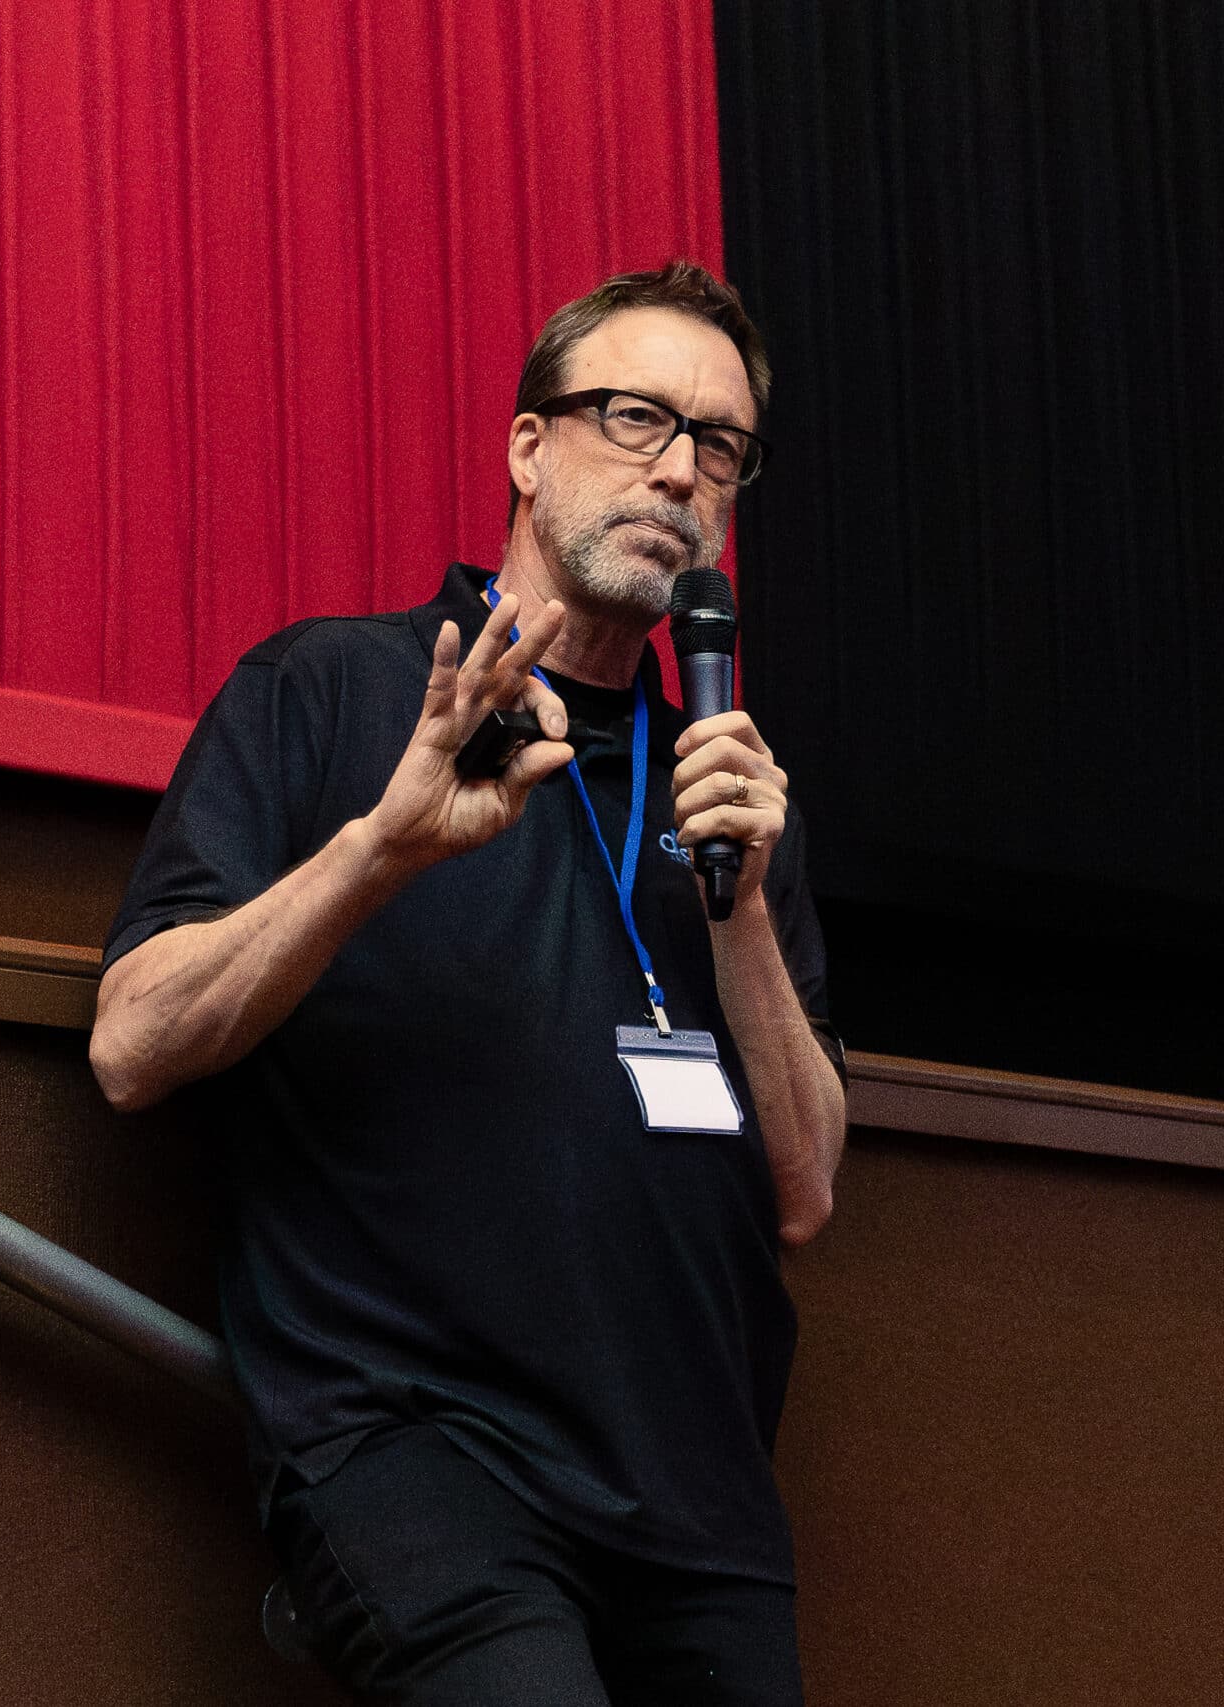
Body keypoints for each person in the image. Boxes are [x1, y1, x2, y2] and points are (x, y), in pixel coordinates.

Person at [90, 259, 845, 1706]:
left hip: (698, 1488)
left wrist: (741, 904)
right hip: (425, 1457)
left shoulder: (732, 789)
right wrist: (381, 849)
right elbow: (133, 1041)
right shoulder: (333, 694)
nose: (678, 471)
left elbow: (804, 1193)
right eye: (635, 417)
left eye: (719, 445)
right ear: (527, 447)